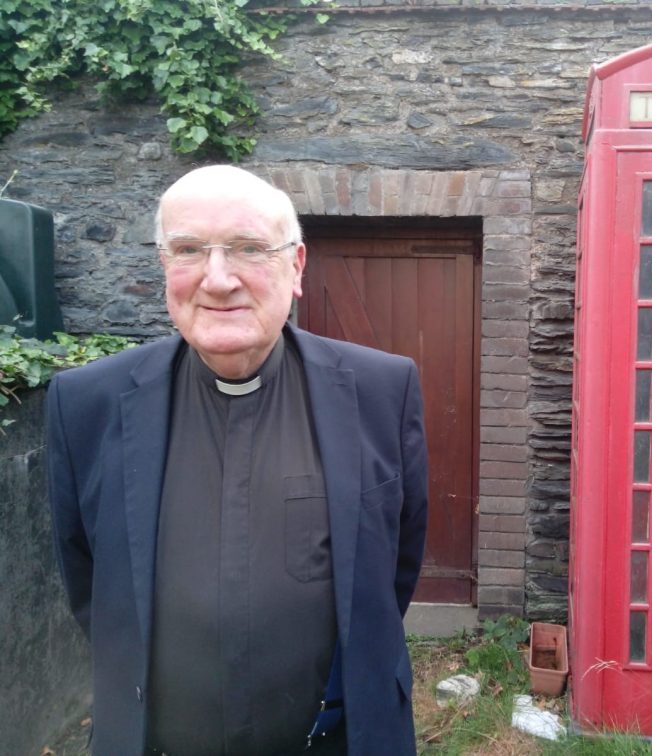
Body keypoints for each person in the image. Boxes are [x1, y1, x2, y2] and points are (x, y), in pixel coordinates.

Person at [46, 165, 429, 755]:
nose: (217, 279)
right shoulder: (86, 403)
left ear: (296, 267)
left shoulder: (382, 390)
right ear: (164, 266)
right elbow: (92, 583)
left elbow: (392, 569)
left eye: (249, 249)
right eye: (189, 250)